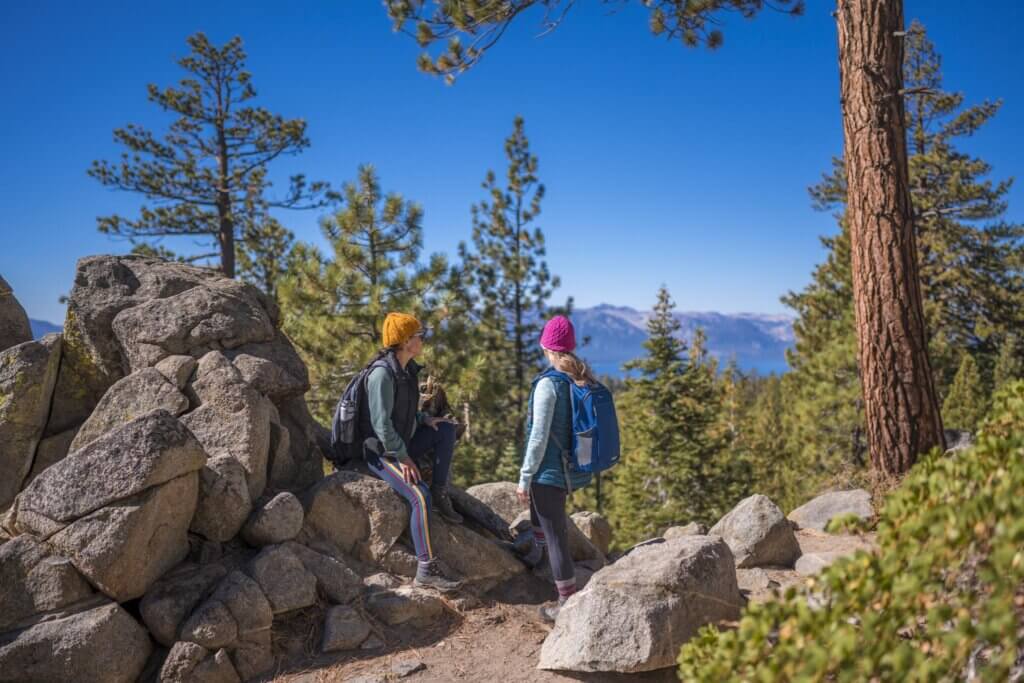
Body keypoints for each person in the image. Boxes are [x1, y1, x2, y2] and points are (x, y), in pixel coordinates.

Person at [362, 312, 463, 592]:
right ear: (406, 341)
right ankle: (426, 570)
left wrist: (424, 421)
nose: (422, 339)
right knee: (419, 495)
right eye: (419, 335)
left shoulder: (406, 369)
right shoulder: (382, 374)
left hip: (400, 442)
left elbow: (403, 413)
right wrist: (403, 457)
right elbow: (381, 424)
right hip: (381, 452)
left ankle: (442, 492)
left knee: (445, 430)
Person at [517, 315, 595, 622]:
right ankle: (538, 558)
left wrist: (525, 477)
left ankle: (565, 602)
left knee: (555, 534)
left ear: (547, 347)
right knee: (543, 515)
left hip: (549, 472)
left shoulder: (548, 384)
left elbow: (537, 436)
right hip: (569, 468)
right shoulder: (580, 379)